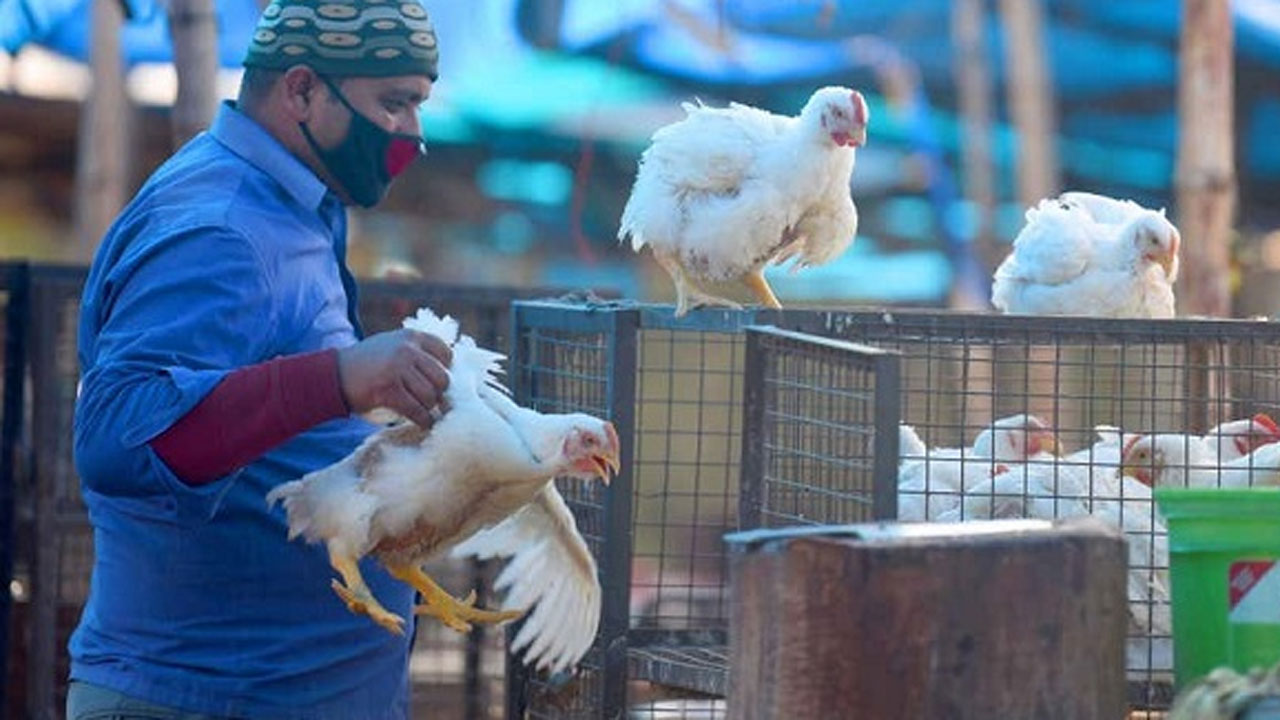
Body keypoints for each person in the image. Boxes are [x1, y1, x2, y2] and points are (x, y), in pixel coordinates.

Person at [67, 1, 451, 717]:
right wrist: (338, 380)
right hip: (205, 694)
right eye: (394, 104)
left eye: (417, 105)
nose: (411, 132)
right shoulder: (223, 226)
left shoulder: (291, 206)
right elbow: (116, 440)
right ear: (302, 90)